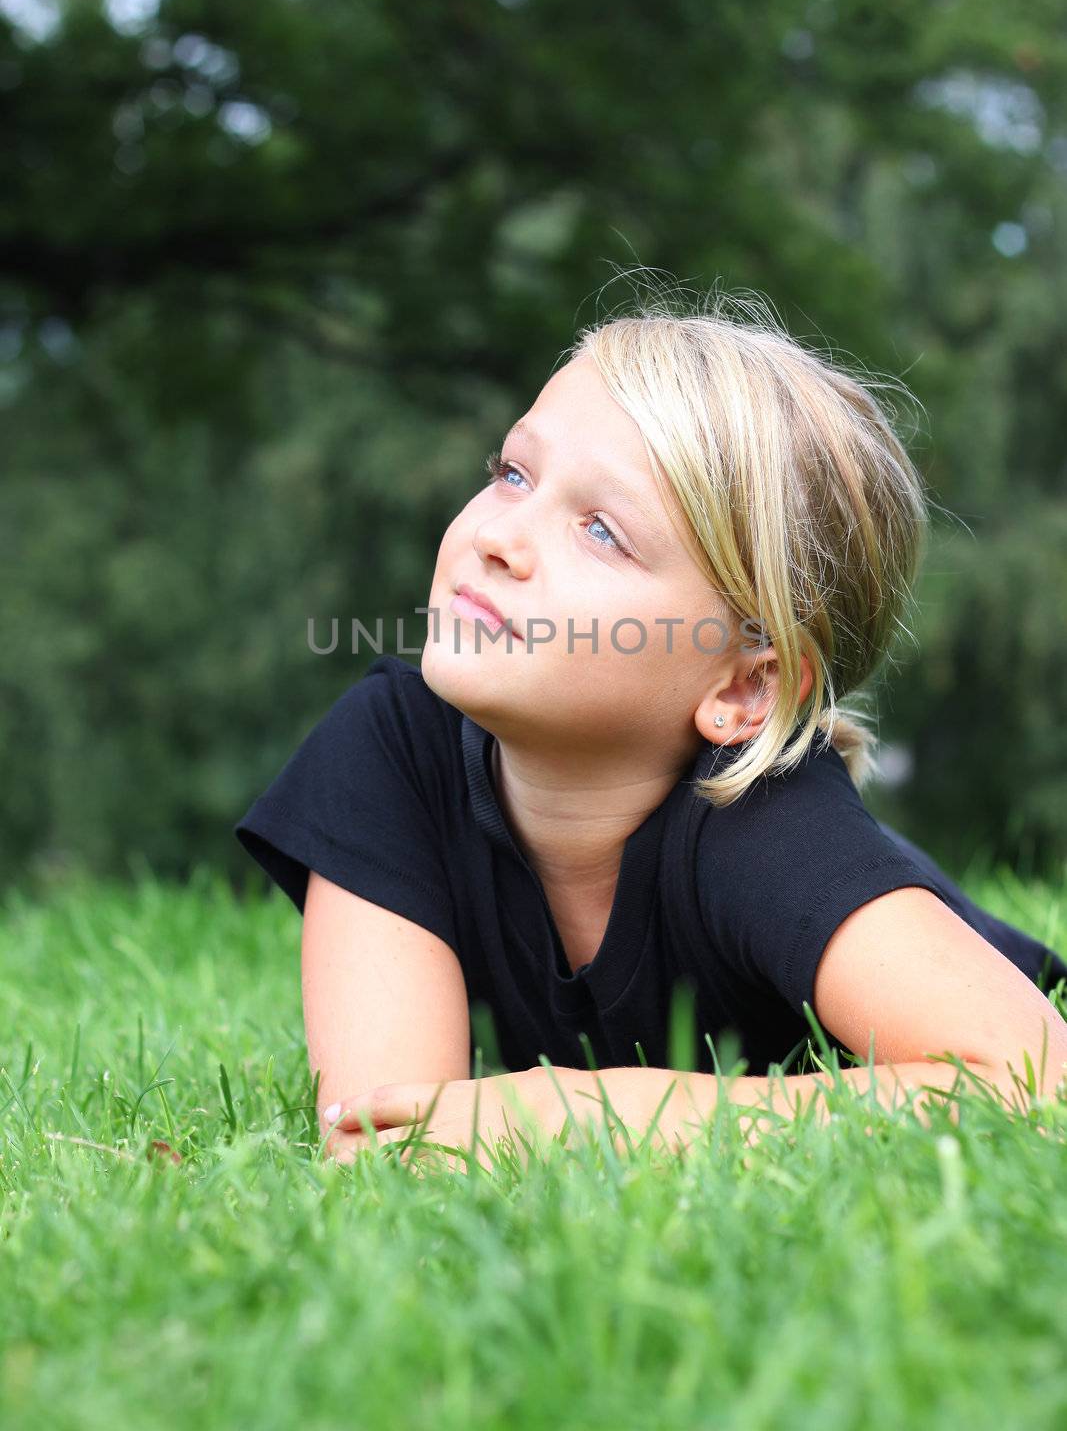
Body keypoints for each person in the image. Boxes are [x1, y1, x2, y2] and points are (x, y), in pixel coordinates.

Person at [234, 292, 1067, 1162]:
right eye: (513, 474)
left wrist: (606, 1110)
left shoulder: (766, 829)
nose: (500, 536)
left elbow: (1033, 1077)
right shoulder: (394, 749)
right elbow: (387, 1137)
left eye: (601, 531)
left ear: (747, 686)